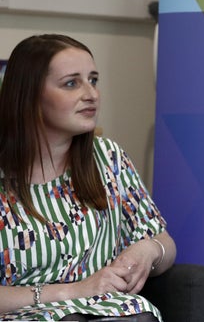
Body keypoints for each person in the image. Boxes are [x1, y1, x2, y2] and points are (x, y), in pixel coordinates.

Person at [0, 34, 176, 321]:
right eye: (72, 83)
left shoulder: (107, 157)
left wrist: (148, 249)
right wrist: (72, 291)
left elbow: (164, 242)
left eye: (93, 80)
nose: (91, 94)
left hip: (112, 314)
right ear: (30, 93)